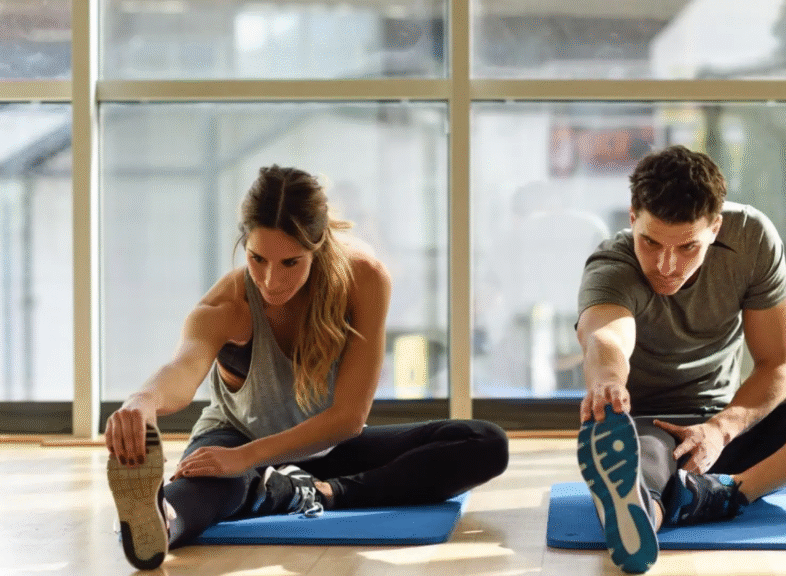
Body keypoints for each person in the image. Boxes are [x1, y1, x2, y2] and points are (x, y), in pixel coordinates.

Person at [105, 165, 509, 571]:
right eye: (257, 258)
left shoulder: (364, 280)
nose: (270, 280)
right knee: (213, 486)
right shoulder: (227, 304)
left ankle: (317, 492)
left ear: (317, 246)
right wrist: (144, 401)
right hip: (234, 438)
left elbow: (348, 419)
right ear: (244, 243)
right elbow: (183, 368)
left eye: (290, 263)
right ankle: (162, 523)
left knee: (484, 442)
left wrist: (252, 457)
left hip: (325, 444)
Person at [575, 145, 786, 573]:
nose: (666, 265)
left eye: (687, 247)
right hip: (652, 430)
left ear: (716, 227)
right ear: (633, 218)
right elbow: (607, 337)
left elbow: (777, 363)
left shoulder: (751, 238)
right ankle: (643, 514)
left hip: (733, 427)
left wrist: (721, 430)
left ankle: (729, 492)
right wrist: (607, 382)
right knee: (636, 469)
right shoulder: (612, 264)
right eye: (651, 242)